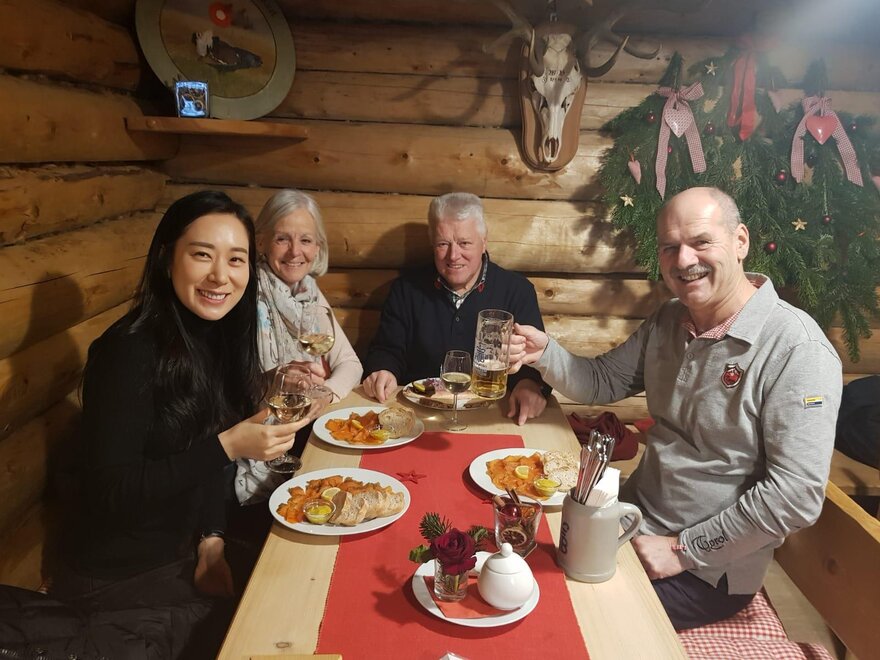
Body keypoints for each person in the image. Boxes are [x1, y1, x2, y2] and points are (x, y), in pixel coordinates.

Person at [508, 187, 842, 629]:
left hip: (703, 570)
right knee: (513, 549)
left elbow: (796, 497)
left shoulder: (798, 349)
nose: (684, 260)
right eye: (670, 247)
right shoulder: (670, 317)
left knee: (558, 614)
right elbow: (602, 380)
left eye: (701, 242)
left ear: (740, 241)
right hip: (630, 518)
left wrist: (683, 549)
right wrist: (544, 353)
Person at [49, 191, 308, 657]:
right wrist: (228, 445)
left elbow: (200, 458)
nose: (220, 276)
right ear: (167, 257)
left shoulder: (212, 337)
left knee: (297, 584)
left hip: (183, 549)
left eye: (236, 259)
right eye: (202, 255)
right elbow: (111, 493)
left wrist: (211, 541)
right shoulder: (127, 351)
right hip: (115, 577)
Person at [362, 192, 550, 425]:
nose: (453, 255)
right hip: (417, 416)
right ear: (432, 244)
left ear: (484, 242)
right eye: (443, 244)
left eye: (464, 243)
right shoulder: (406, 290)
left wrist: (529, 384)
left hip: (495, 418)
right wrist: (383, 370)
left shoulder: (517, 290)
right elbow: (387, 349)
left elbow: (533, 360)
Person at [234, 189, 363, 504]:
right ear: (261, 242)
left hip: (305, 436)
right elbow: (234, 391)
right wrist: (278, 382)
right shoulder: (244, 296)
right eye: (282, 239)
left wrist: (325, 393)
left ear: (318, 247)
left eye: (305, 240)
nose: (295, 251)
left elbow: (351, 364)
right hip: (255, 444)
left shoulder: (309, 293)